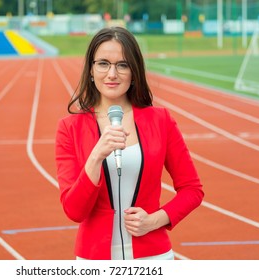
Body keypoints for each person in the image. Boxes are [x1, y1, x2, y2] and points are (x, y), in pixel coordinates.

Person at [55, 26, 204, 260]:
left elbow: (192, 190)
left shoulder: (161, 120)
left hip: (153, 256)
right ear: (91, 70)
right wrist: (96, 157)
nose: (112, 74)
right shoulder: (70, 128)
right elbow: (74, 210)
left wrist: (155, 220)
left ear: (134, 72)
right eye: (103, 63)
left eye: (122, 65)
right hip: (93, 259)